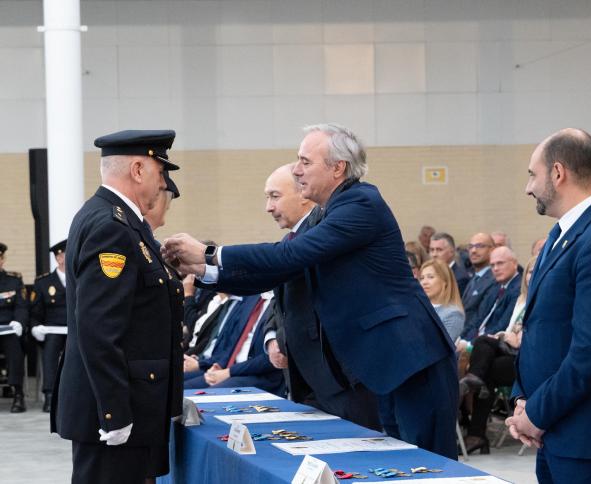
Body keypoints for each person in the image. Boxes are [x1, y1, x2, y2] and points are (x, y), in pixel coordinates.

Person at [163, 123, 458, 459]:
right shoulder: (324, 214)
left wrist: (209, 252)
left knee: (431, 466)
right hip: (382, 367)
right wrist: (202, 271)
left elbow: (287, 255)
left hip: (411, 360)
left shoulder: (361, 203)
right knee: (395, 463)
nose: (297, 170)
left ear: (337, 168)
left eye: (305, 161)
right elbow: (277, 269)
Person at [506, 128, 591, 484]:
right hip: (555, 431)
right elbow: (541, 330)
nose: (528, 188)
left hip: (587, 437)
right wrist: (523, 400)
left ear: (557, 172)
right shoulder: (562, 233)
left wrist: (536, 413)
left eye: (532, 175)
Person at [52, 130, 184, 484]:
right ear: (139, 169)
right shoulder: (112, 226)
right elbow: (99, 328)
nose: (162, 185)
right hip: (117, 409)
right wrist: (115, 413)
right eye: (160, 173)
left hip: (132, 401)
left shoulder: (116, 219)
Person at [260, 164, 381, 430]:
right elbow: (281, 300)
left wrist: (211, 259)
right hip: (309, 381)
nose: (268, 207)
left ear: (303, 194)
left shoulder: (324, 232)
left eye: (275, 196)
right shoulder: (292, 240)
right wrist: (272, 337)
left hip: (340, 381)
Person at [460, 256, 536, 454]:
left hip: (531, 360)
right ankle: (476, 434)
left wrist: (516, 338)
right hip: (510, 352)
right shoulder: (521, 299)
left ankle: (475, 433)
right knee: (488, 370)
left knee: (483, 346)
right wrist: (505, 336)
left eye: (536, 271)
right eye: (529, 271)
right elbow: (509, 328)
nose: (531, 276)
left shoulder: (548, 300)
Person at [30, 240, 68, 412]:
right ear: (58, 258)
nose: (65, 258)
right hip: (53, 330)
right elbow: (36, 311)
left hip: (75, 330)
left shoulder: (80, 278)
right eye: (63, 255)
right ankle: (50, 394)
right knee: (51, 349)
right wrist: (36, 326)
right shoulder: (43, 283)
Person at [458, 246, 521, 344]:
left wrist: (470, 344)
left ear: (514, 264)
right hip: (477, 341)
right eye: (492, 265)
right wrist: (461, 339)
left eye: (500, 263)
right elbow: (478, 318)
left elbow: (502, 324)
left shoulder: (519, 288)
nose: (495, 268)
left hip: (492, 345)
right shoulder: (495, 287)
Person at [0, 242, 29, 413]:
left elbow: (22, 306)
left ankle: (18, 394)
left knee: (14, 345)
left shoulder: (14, 280)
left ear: (2, 260)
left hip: (7, 329)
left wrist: (19, 322)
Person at [418, 259, 465, 341]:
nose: (424, 282)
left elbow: (440, 348)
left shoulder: (453, 314)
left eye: (430, 277)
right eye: (421, 278)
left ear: (445, 281)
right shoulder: (417, 308)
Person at [462, 233, 497, 328]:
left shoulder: (494, 279)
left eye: (480, 246)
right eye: (470, 246)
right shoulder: (474, 278)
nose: (473, 250)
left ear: (492, 250)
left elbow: (480, 316)